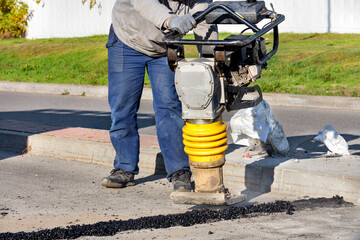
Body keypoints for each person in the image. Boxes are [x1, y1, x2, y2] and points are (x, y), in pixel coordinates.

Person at [101, 0, 217, 192]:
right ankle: (124, 167)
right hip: (128, 38)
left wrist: (211, 62)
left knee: (169, 106)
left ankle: (179, 170)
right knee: (123, 106)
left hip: (166, 46)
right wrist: (170, 20)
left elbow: (204, 22)